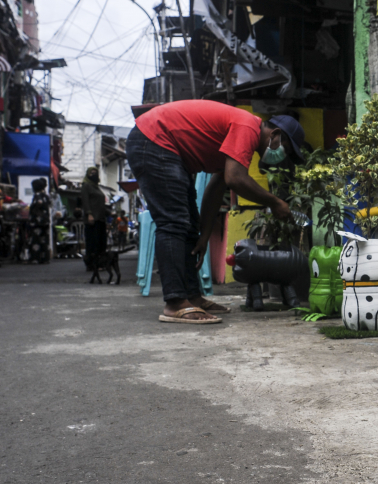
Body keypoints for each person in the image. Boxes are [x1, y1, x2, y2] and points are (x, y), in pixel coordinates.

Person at [125, 100, 305, 324]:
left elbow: (215, 188)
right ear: (275, 134)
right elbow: (236, 179)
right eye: (285, 148)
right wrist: (276, 202)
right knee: (174, 223)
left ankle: (191, 297)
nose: (283, 155)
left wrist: (204, 235)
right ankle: (174, 303)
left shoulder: (239, 143)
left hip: (161, 145)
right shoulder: (248, 127)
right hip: (153, 139)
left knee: (188, 226)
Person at [81, 167, 107, 267]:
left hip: (100, 218)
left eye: (96, 173)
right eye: (92, 173)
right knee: (93, 243)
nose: (94, 175)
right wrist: (89, 214)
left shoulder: (96, 187)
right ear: (88, 174)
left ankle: (101, 263)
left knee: (101, 243)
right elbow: (85, 201)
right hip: (92, 218)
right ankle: (92, 264)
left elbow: (100, 204)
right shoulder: (86, 186)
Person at [27, 178, 51, 264]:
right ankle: (45, 258)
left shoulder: (37, 195)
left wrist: (34, 210)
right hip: (45, 221)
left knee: (35, 240)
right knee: (44, 240)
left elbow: (38, 203)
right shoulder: (46, 196)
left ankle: (35, 258)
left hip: (36, 222)